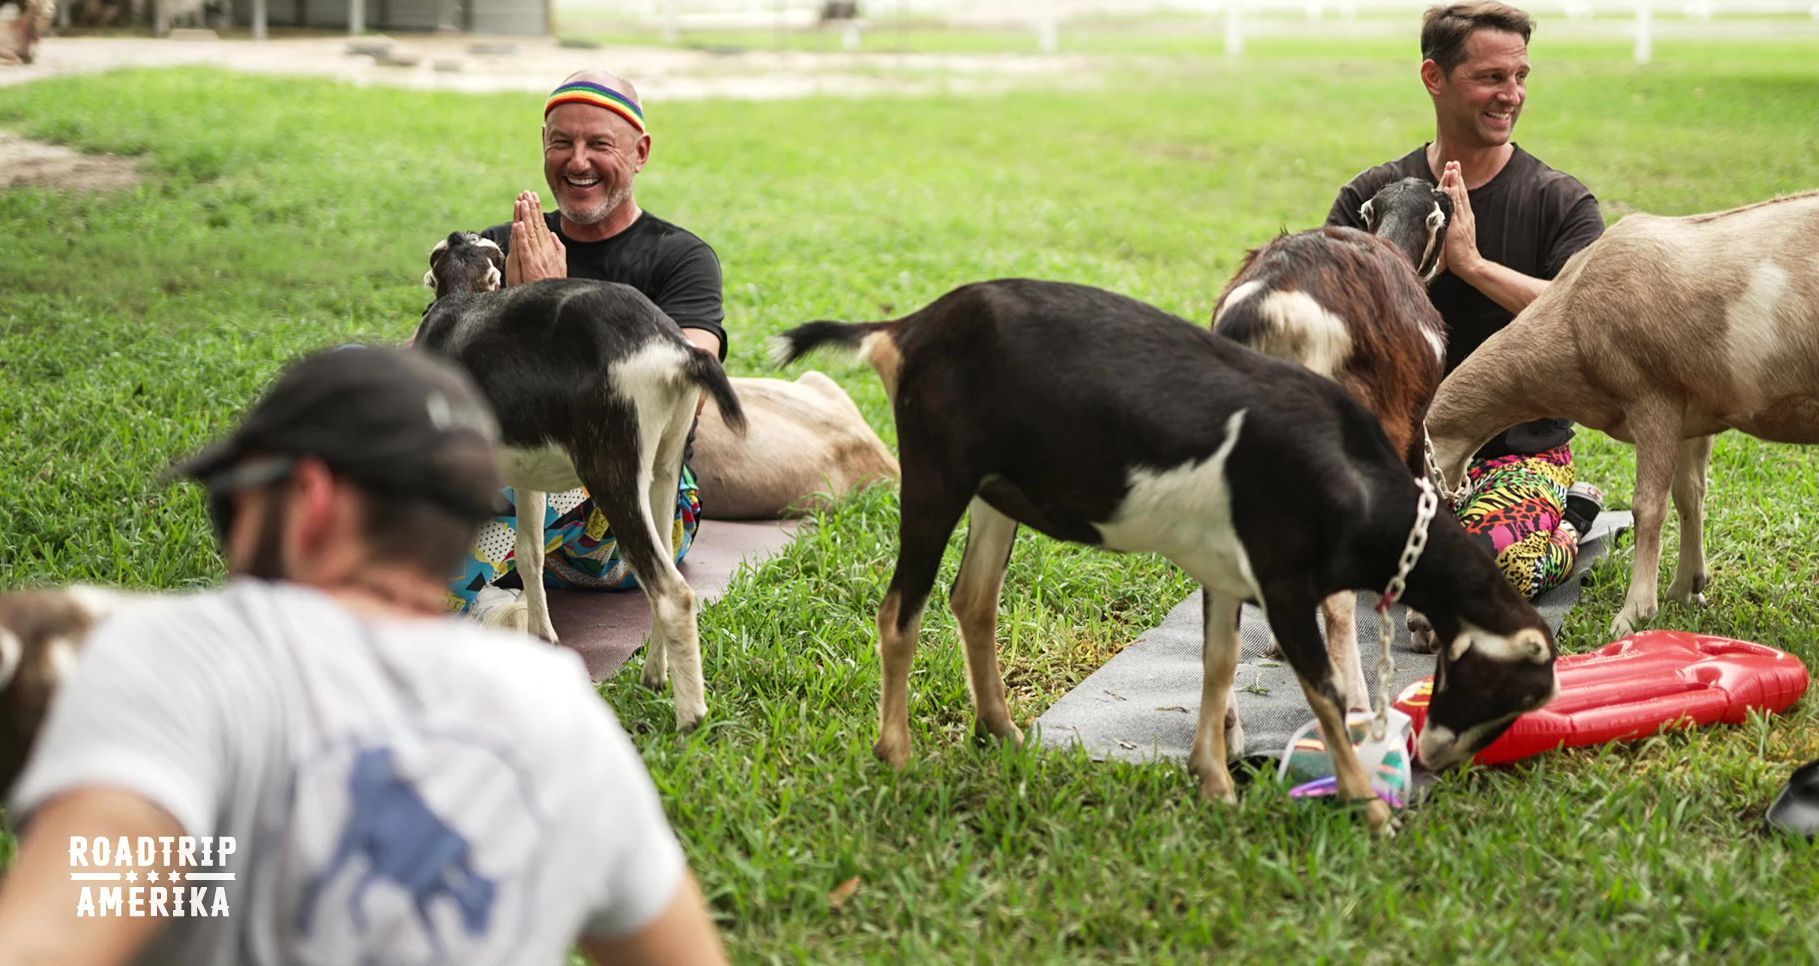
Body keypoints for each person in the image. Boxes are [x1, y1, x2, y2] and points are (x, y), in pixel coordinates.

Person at [0, 347, 728, 965]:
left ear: (309, 500)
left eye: (230, 500)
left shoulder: (182, 656)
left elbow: (58, 930)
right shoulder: (563, 713)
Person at [1326, 0, 1606, 599]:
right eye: (1490, 78)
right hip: (1395, 455)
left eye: (1520, 76)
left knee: (1489, 575)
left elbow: (1592, 319)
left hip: (1515, 456)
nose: (1511, 94)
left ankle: (1575, 519)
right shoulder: (1371, 197)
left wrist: (1473, 265)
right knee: (1315, 547)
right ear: (1434, 78)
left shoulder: (1561, 202)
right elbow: (1334, 326)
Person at [451, 67, 729, 626]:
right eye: (562, 143)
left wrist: (545, 303)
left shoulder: (681, 259)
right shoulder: (502, 246)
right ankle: (486, 599)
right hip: (508, 479)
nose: (577, 162)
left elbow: (691, 390)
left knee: (534, 481)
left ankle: (465, 605)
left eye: (599, 144)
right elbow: (427, 377)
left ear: (640, 151)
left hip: (631, 509)